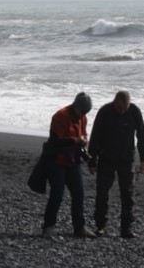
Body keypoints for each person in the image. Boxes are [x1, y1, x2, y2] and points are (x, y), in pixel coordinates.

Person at [87, 90, 144, 238]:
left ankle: (126, 228)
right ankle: (101, 226)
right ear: (115, 102)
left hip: (126, 160)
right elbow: (95, 136)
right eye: (120, 108)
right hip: (106, 159)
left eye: (125, 108)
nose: (122, 111)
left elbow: (141, 135)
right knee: (102, 193)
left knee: (128, 195)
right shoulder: (105, 111)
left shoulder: (134, 111)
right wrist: (92, 160)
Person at [41, 92, 96, 238]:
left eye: (86, 112)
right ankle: (48, 226)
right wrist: (75, 141)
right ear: (75, 106)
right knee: (57, 194)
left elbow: (83, 135)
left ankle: (80, 228)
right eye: (82, 111)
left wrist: (84, 142)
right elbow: (55, 142)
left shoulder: (83, 118)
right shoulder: (60, 116)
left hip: (73, 161)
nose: (83, 115)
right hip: (56, 161)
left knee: (79, 194)